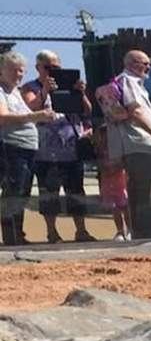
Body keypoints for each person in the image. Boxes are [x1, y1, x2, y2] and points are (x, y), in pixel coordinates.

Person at [22, 50, 94, 243]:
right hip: (45, 151)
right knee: (50, 194)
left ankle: (81, 231)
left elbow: (87, 111)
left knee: (76, 192)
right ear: (38, 68)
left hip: (71, 148)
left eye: (57, 68)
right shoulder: (30, 87)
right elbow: (31, 108)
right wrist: (45, 90)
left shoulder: (69, 86)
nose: (53, 71)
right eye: (48, 67)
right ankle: (52, 232)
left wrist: (81, 93)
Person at [107, 50, 151, 240]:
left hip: (134, 144)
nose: (148, 67)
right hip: (139, 143)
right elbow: (136, 111)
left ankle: (140, 233)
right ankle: (148, 235)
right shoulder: (128, 81)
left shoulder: (131, 83)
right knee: (149, 191)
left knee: (137, 191)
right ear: (132, 64)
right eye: (144, 63)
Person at [0, 51, 56, 245]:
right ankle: (11, 237)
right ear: (2, 70)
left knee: (22, 194)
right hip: (11, 148)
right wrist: (35, 117)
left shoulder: (15, 91)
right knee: (13, 194)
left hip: (27, 148)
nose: (18, 75)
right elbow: (2, 117)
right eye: (14, 70)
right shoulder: (1, 91)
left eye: (21, 71)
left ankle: (17, 235)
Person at [93, 124, 130, 241]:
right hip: (107, 181)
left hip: (120, 180)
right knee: (115, 208)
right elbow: (99, 164)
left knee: (125, 206)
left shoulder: (120, 147)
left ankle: (130, 230)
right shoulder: (99, 150)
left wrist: (115, 169)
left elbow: (124, 163)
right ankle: (120, 231)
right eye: (102, 134)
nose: (104, 137)